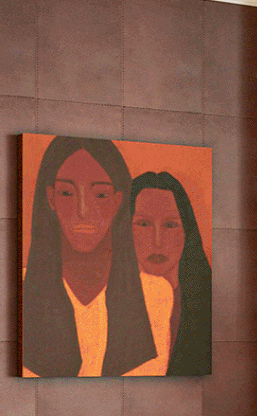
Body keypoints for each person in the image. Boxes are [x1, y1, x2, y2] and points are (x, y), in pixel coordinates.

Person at [22, 135, 177, 377]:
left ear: (117, 201)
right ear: (51, 198)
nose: (83, 211)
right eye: (67, 193)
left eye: (101, 195)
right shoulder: (19, 288)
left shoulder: (155, 294)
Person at [131, 171, 212, 376]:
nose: (157, 241)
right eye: (144, 224)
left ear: (186, 231)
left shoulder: (209, 305)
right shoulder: (102, 304)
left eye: (170, 225)